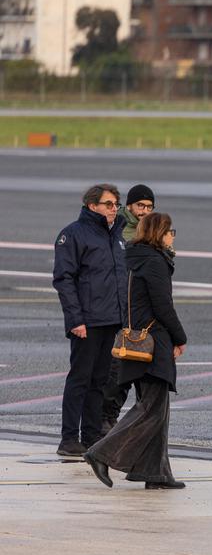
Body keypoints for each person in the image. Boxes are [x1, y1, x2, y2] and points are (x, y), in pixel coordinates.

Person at [83, 213, 187, 490]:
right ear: (159, 233)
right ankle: (100, 453)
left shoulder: (139, 258)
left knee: (156, 408)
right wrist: (180, 337)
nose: (172, 235)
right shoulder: (154, 262)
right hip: (154, 343)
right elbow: (163, 307)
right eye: (170, 231)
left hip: (140, 341)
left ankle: (154, 473)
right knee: (151, 409)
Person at [52, 184, 127, 457]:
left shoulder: (117, 235)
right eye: (108, 204)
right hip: (87, 321)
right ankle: (69, 438)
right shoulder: (73, 234)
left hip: (110, 319)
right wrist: (75, 319)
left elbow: (120, 279)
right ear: (92, 205)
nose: (114, 208)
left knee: (100, 381)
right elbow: (64, 279)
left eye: (116, 204)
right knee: (79, 380)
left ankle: (92, 436)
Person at [101, 183, 158, 436]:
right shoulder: (121, 230)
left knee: (140, 366)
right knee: (119, 365)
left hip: (142, 309)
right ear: (130, 206)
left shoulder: (152, 230)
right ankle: (106, 418)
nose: (144, 211)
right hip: (121, 306)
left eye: (149, 206)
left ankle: (131, 424)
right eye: (140, 206)